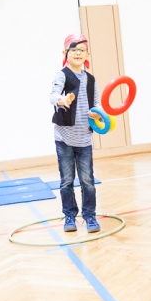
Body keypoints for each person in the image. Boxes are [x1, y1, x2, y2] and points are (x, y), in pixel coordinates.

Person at [49, 34, 102, 233]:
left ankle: (90, 216)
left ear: (87, 54)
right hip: (64, 138)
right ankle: (69, 216)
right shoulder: (62, 75)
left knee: (88, 180)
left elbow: (97, 104)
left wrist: (96, 115)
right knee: (66, 181)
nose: (78, 53)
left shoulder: (91, 79)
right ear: (66, 53)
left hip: (84, 137)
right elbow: (52, 95)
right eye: (74, 49)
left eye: (82, 50)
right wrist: (61, 100)